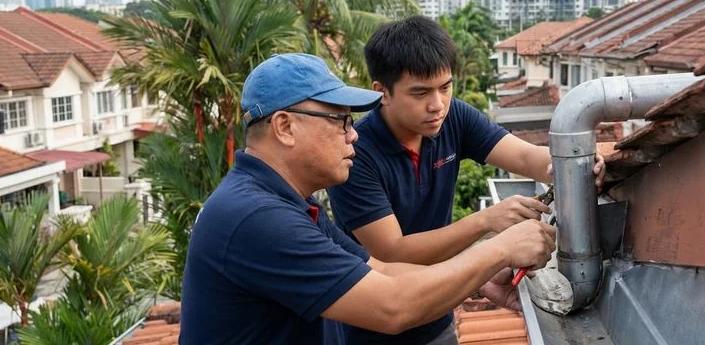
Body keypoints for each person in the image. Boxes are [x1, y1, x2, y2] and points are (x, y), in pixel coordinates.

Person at [179, 53, 558, 344]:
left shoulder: (288, 203)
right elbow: (393, 303)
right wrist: (498, 249)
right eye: (340, 121)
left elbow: (380, 269)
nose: (353, 135)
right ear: (285, 126)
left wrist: (479, 278)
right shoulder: (256, 217)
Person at [326, 16, 607, 344]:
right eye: (420, 93)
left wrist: (572, 165)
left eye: (445, 87)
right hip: (371, 329)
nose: (437, 105)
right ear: (381, 92)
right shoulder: (356, 153)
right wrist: (487, 222)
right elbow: (392, 251)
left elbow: (521, 156)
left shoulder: (453, 117)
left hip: (437, 315)